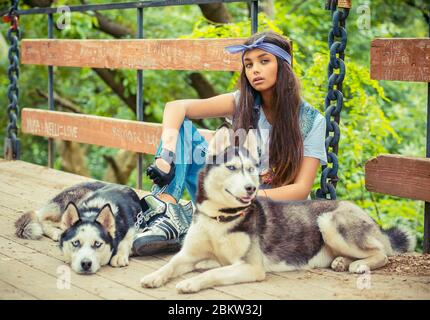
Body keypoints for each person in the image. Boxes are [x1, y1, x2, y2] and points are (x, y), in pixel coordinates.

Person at [132, 31, 328, 256]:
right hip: (226, 194)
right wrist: (165, 156)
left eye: (264, 61)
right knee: (182, 129)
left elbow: (301, 189)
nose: (255, 70)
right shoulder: (242, 102)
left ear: (283, 65)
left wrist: (246, 198)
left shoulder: (312, 121)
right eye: (248, 64)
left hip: (266, 209)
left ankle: (186, 226)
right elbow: (176, 107)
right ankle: (166, 213)